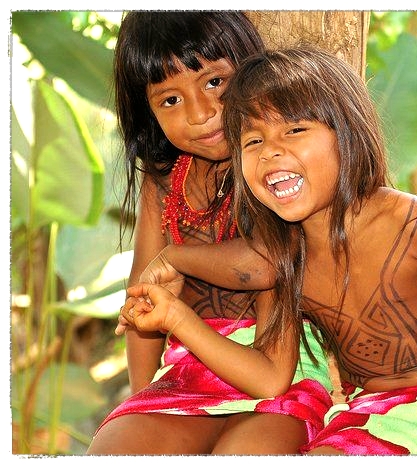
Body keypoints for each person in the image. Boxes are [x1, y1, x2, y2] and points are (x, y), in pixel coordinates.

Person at [140, 45, 417, 455]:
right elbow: (269, 375)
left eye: (294, 130)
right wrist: (175, 310)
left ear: (348, 132)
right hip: (366, 413)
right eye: (252, 140)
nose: (270, 150)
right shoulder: (283, 257)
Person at [87, 12, 333, 455]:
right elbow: (143, 296)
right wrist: (145, 399)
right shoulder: (164, 180)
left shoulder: (272, 175)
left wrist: (177, 258)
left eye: (214, 82)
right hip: (185, 380)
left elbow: (264, 265)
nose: (201, 114)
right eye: (170, 101)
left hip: (280, 385)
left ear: (250, 67)